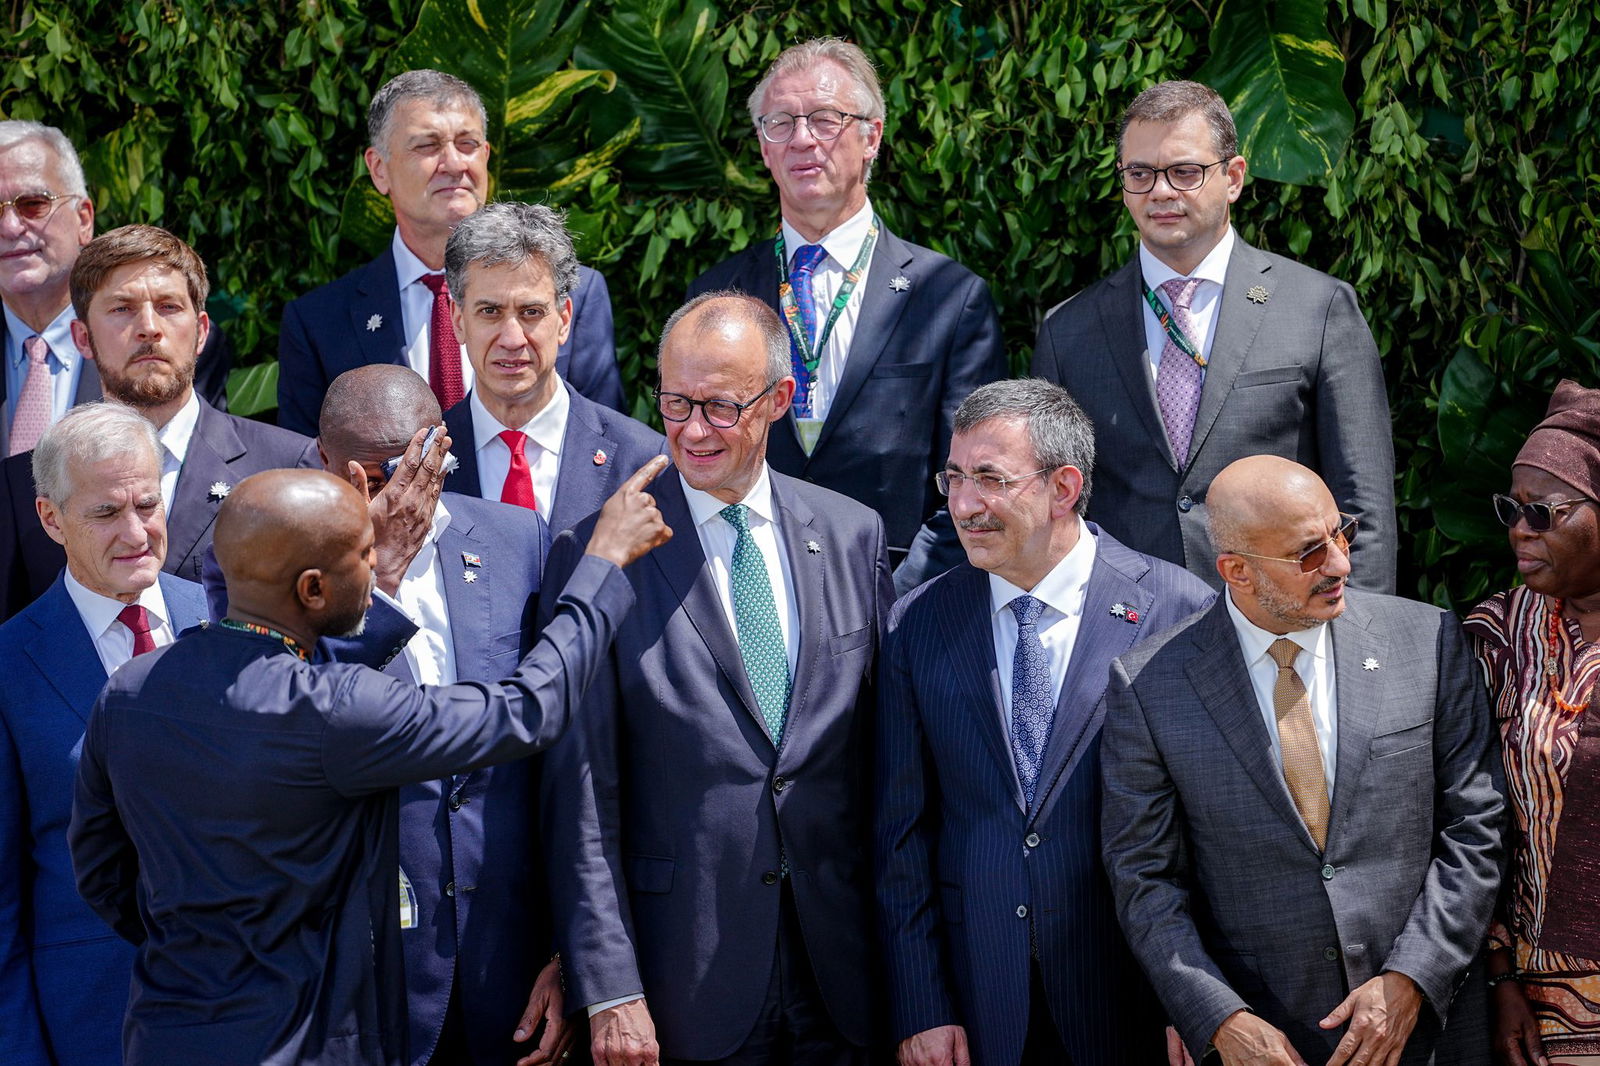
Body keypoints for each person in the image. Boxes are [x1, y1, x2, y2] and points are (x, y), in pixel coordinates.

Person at [67, 449, 670, 1066]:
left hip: (167, 1039)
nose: (381, 563)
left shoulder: (129, 692)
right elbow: (528, 708)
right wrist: (601, 565)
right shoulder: (334, 710)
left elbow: (101, 872)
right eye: (362, 556)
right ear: (312, 589)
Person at [541, 292, 894, 1065]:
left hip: (843, 974)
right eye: (675, 401)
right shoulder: (600, 549)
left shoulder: (850, 534)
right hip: (682, 981)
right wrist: (608, 987)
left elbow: (883, 770)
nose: (692, 429)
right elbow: (582, 794)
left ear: (778, 400)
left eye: (721, 407)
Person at [1101, 454, 1504, 1066]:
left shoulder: (1427, 641)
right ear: (1235, 570)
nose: (1341, 563)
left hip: (1430, 1034)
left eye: (1342, 533)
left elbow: (1476, 827)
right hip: (1267, 1038)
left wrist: (1413, 978)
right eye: (1308, 553)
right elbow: (1145, 881)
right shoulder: (1151, 686)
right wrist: (1221, 1019)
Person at [875, 378, 1214, 1066]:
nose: (964, 506)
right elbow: (899, 834)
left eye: (991, 480)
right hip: (980, 1005)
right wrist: (922, 1005)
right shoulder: (919, 622)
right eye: (955, 478)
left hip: (1137, 1003)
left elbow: (1213, 832)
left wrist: (1201, 998)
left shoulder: (1177, 611)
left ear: (1063, 487)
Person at [1031, 80, 1397, 593]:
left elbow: (1365, 507)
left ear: (1233, 177)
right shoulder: (1069, 331)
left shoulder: (1318, 309)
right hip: (1128, 633)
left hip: (1282, 617)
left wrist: (1359, 643)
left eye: (1184, 171)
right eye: (1140, 173)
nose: (1160, 191)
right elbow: (1052, 508)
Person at [317, 364, 570, 1066]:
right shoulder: (289, 568)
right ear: (327, 465)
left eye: (413, 464)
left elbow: (562, 757)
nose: (397, 494)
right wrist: (379, 576)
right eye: (371, 474)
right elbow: (309, 731)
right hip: (368, 978)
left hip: (510, 955)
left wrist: (570, 951)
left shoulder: (519, 540)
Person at [688, 38, 1006, 595]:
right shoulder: (716, 297)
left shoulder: (950, 299)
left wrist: (901, 597)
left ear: (871, 137)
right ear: (764, 149)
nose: (803, 139)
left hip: (900, 597)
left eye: (826, 119)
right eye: (780, 122)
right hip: (746, 589)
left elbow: (974, 479)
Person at [0, 402, 207, 1066]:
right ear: (50, 519)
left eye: (146, 505)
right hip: (92, 1027)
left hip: (252, 1018)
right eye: (105, 513)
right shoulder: (9, 667)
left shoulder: (233, 624)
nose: (136, 532)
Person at [277, 69, 622, 436]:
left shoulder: (575, 293)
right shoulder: (319, 322)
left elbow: (600, 443)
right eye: (427, 146)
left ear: (486, 156)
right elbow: (311, 470)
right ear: (379, 169)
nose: (455, 164)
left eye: (468, 144)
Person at [0, 225, 315, 619]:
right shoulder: (19, 484)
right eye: (122, 309)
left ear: (201, 332)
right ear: (82, 338)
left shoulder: (287, 465)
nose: (149, 327)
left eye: (168, 306)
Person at [1465, 380, 1600, 1066]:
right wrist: (1499, 975)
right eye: (1512, 511)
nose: (1521, 529)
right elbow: (1464, 813)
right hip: (1539, 1008)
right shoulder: (1497, 636)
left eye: (1544, 512)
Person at [0, 121, 230, 460]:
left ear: (84, 219)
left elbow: (189, 478)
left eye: (33, 204)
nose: (10, 226)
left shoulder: (174, 342)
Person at [437, 201, 663, 534]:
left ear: (564, 320)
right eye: (489, 312)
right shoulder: (421, 464)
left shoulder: (643, 460)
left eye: (530, 312)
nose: (512, 339)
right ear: (458, 321)